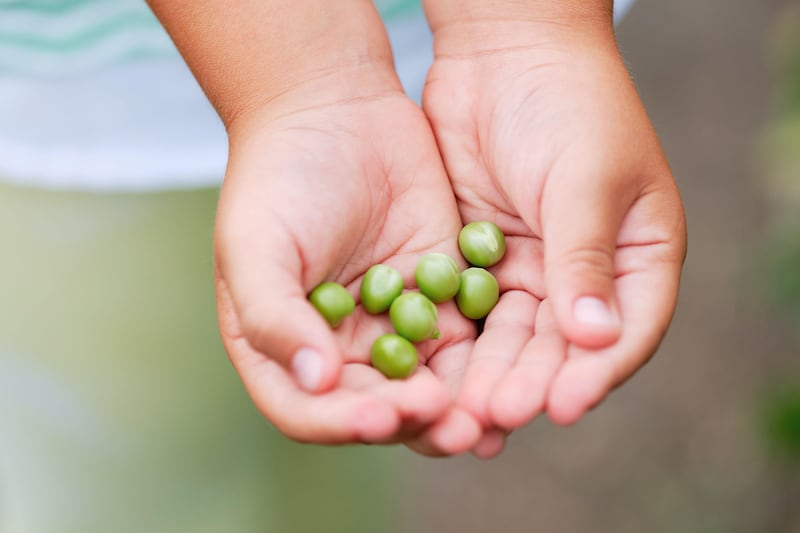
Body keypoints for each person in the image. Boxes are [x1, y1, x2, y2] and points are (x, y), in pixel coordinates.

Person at [148, 0, 687, 459]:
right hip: (144, 88)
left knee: (345, 406)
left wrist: (526, 36)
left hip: (393, 63)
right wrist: (294, 86)